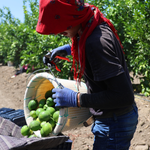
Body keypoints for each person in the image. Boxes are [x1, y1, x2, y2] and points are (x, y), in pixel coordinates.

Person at [37, 1, 138, 150]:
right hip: (115, 118)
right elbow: (86, 40)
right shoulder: (92, 24)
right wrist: (67, 49)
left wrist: (76, 99)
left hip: (114, 122)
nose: (58, 32)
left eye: (61, 26)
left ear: (72, 17)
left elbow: (124, 96)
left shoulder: (97, 43)